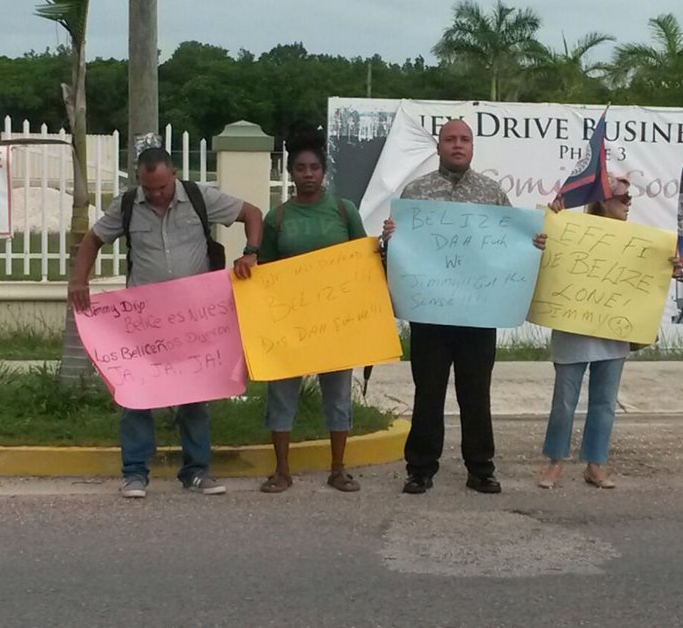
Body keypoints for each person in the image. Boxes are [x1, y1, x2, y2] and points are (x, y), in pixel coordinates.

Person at [69, 146, 262, 499]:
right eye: (149, 188)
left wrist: (251, 251)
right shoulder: (128, 205)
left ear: (173, 174)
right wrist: (79, 281)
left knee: (194, 395)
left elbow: (252, 213)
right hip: (143, 319)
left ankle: (197, 471)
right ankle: (135, 473)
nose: (156, 194)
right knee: (135, 395)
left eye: (161, 187)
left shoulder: (199, 197)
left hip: (194, 316)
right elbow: (93, 240)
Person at [391, 119, 546, 495]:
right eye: (450, 139)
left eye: (464, 140)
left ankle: (481, 468)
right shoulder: (417, 192)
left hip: (478, 315)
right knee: (428, 393)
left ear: (473, 147)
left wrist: (533, 243)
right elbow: (402, 249)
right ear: (439, 146)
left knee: (476, 394)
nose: (457, 145)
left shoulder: (491, 193)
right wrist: (391, 237)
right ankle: (420, 468)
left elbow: (512, 244)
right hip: (430, 314)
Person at [256, 133, 393, 493]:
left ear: (324, 172)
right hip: (290, 324)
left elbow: (364, 262)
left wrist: (382, 249)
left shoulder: (343, 211)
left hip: (337, 322)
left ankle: (338, 469)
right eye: (300, 168)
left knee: (337, 395)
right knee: (282, 395)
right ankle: (281, 471)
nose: (307, 174)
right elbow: (265, 271)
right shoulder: (277, 217)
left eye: (314, 167)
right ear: (290, 174)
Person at [538, 176, 652, 490]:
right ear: (603, 200)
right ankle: (555, 463)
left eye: (630, 199)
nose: (628, 204)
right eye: (623, 198)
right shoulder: (570, 231)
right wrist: (552, 220)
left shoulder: (637, 240)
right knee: (564, 402)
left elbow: (647, 277)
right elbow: (548, 254)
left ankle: (595, 464)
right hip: (573, 330)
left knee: (604, 403)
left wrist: (667, 262)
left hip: (612, 335)